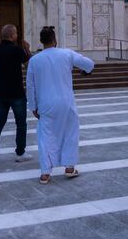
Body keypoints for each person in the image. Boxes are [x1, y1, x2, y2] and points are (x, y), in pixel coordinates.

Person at [26, 26, 94, 184]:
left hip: (46, 104)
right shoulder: (67, 54)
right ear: (55, 40)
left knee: (45, 137)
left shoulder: (34, 60)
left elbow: (30, 86)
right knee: (70, 133)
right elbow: (89, 64)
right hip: (66, 102)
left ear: (41, 41)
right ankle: (70, 167)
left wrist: (33, 107)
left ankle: (45, 173)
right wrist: (84, 72)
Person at [0, 24, 33, 166]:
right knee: (21, 123)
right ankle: (20, 152)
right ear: (12, 36)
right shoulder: (18, 51)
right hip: (17, 93)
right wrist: (27, 49)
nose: (17, 35)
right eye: (16, 33)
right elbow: (31, 65)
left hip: (0, 93)